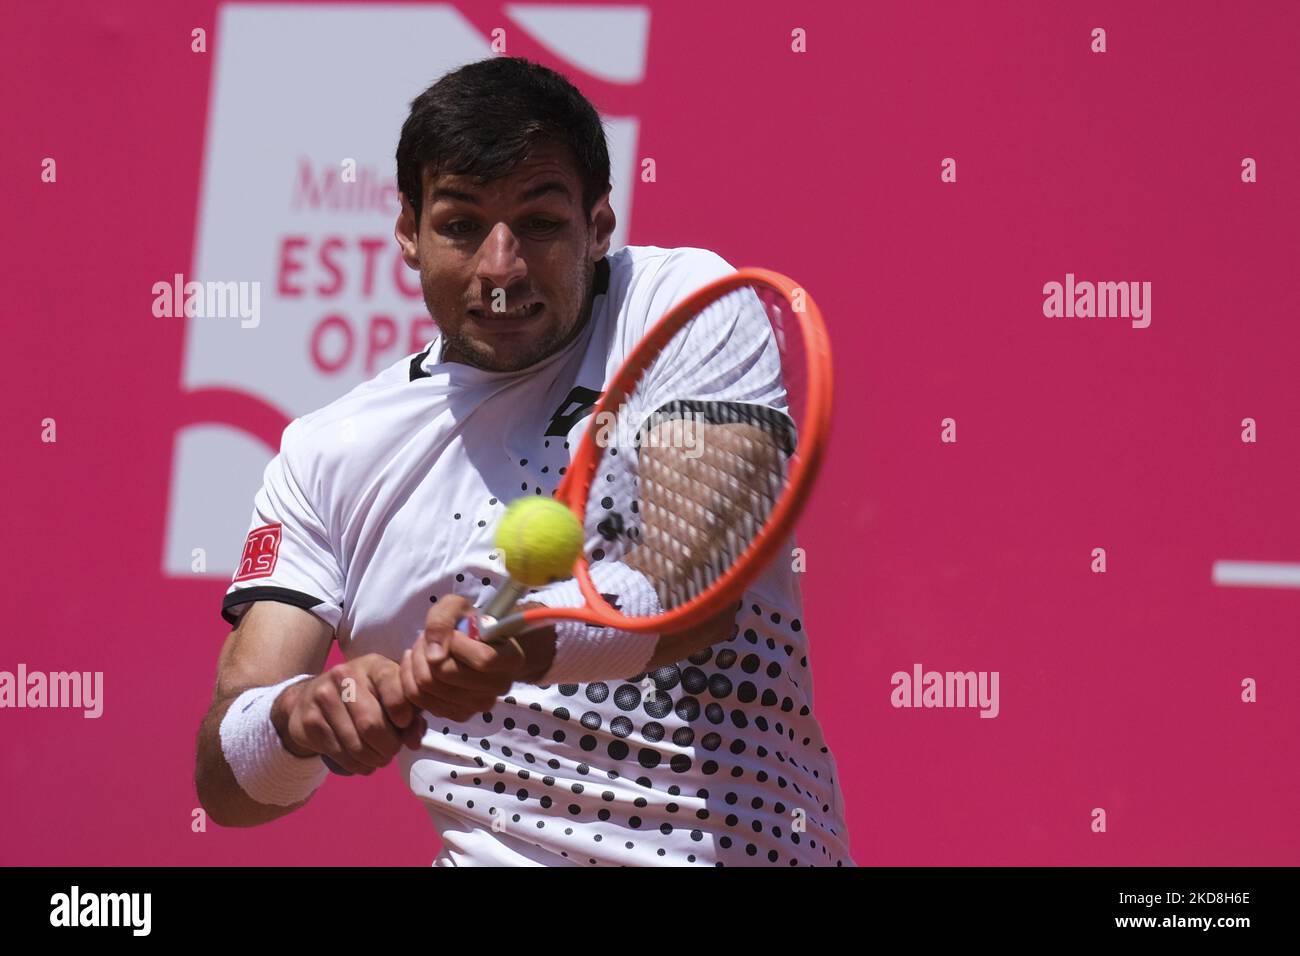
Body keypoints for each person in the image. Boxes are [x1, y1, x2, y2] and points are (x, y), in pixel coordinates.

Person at [194, 56, 852, 866]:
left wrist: (521, 644)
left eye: (539, 225)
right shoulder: (325, 454)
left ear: (599, 225)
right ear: (408, 230)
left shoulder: (681, 303)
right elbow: (228, 782)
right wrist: (299, 718)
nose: (499, 270)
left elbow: (697, 586)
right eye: (461, 225)